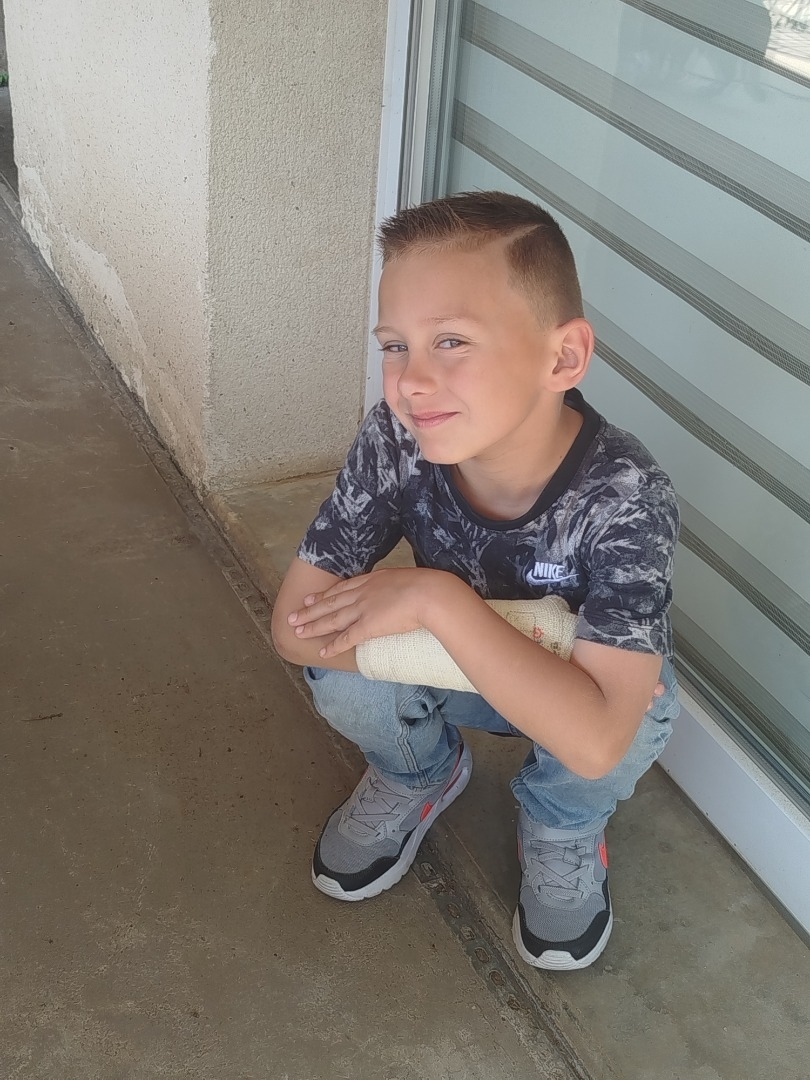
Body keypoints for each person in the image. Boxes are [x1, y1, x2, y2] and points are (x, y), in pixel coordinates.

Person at [271, 191, 680, 971]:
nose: (412, 381)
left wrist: (434, 599)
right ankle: (419, 771)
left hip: (557, 689)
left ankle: (561, 824)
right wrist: (488, 642)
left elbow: (597, 738)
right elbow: (294, 629)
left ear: (562, 358)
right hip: (517, 675)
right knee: (337, 659)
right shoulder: (397, 439)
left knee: (641, 713)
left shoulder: (626, 494)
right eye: (396, 345)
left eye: (452, 341)